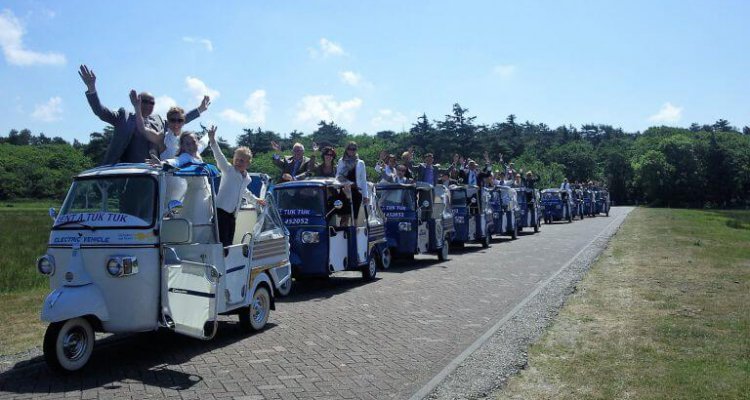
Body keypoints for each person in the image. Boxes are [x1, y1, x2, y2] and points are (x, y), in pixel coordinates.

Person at [79, 65, 209, 165]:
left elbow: (178, 121)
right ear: (137, 100)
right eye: (144, 101)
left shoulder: (159, 121)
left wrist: (200, 109)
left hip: (155, 175)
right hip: (129, 173)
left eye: (151, 102)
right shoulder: (123, 116)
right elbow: (100, 111)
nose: (148, 104)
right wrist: (91, 89)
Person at [208, 126, 266, 248]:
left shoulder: (246, 178)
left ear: (248, 164)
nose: (238, 162)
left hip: (232, 214)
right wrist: (213, 141)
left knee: (229, 241)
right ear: (233, 159)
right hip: (220, 212)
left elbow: (244, 192)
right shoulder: (228, 170)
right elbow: (219, 156)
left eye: (242, 161)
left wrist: (256, 200)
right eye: (237, 159)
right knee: (221, 243)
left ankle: (227, 264)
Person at [130, 91, 208, 161]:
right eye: (172, 120)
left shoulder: (186, 140)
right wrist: (137, 107)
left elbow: (201, 145)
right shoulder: (162, 138)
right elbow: (142, 129)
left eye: (179, 120)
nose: (176, 124)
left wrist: (200, 109)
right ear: (168, 122)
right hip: (166, 176)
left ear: (183, 121)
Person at [336, 141, 369, 222]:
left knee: (355, 217)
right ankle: (344, 233)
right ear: (346, 149)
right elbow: (338, 176)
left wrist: (365, 196)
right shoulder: (341, 161)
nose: (351, 151)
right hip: (344, 190)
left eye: (354, 149)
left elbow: (363, 180)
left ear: (356, 150)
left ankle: (354, 234)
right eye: (349, 149)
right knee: (344, 217)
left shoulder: (360, 163)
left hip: (357, 192)